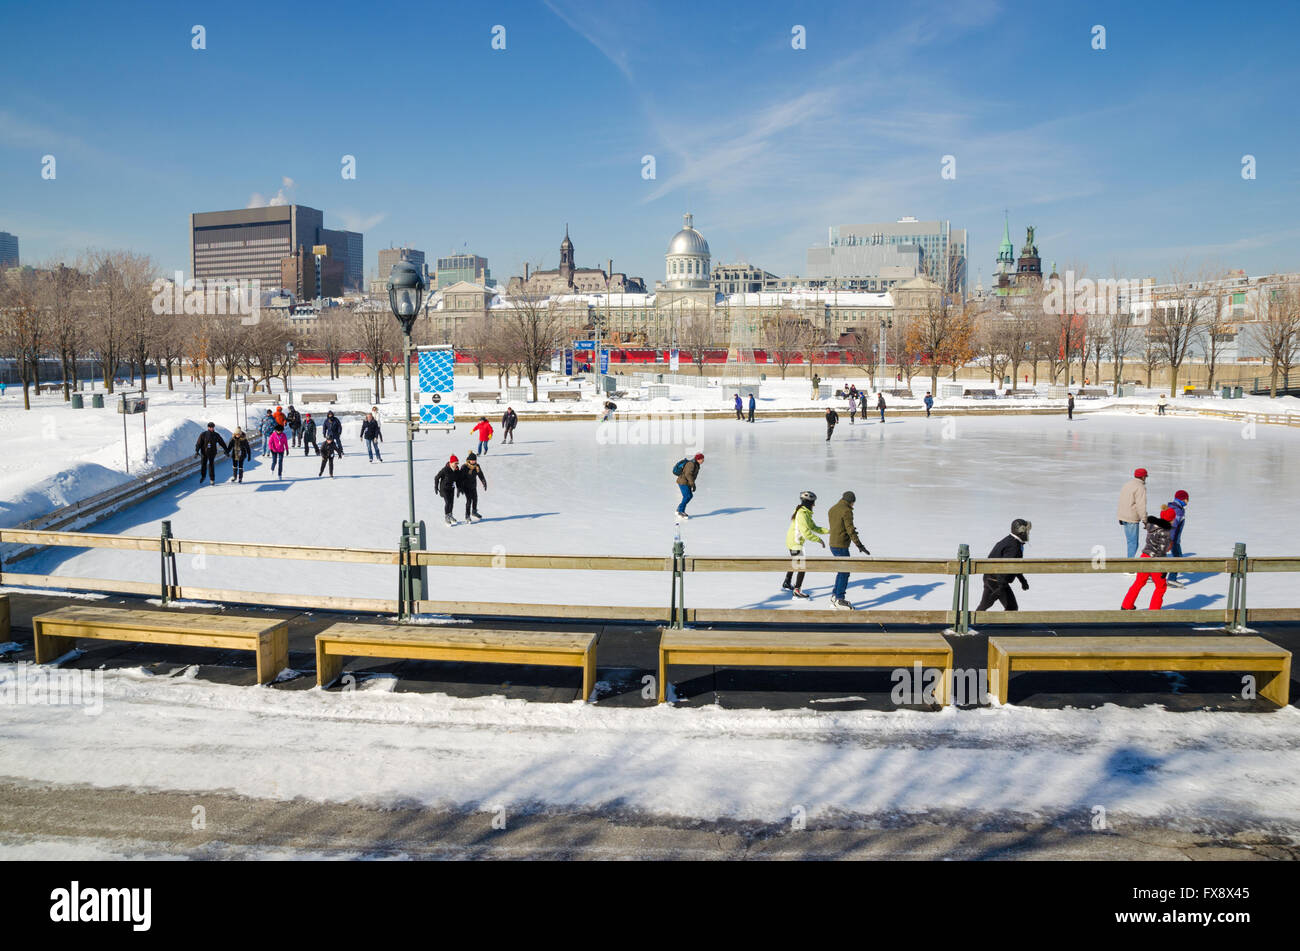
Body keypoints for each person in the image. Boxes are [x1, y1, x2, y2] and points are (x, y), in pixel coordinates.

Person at [1122, 507, 1176, 610]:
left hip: (1145, 557)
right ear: (1170, 519)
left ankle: (1126, 605)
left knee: (1139, 582)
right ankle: (1154, 610)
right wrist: (1163, 569)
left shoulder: (1152, 526)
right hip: (1155, 561)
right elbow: (1161, 551)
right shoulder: (1165, 531)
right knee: (1161, 586)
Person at [975, 519, 1031, 611]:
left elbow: (1014, 565)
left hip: (990, 577)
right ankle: (1004, 625)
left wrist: (1022, 580)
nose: (1028, 533)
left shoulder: (1010, 541)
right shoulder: (1013, 546)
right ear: (1021, 531)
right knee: (1012, 607)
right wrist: (1001, 586)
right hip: (997, 580)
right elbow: (1005, 566)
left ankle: (973, 623)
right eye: (1027, 531)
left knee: (985, 604)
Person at [827, 491, 870, 610]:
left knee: (841, 571)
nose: (853, 505)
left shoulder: (833, 509)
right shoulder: (847, 511)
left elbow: (838, 526)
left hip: (833, 544)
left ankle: (835, 596)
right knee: (845, 571)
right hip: (841, 545)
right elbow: (850, 530)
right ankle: (839, 599)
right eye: (853, 503)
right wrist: (860, 545)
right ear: (851, 501)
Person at [782, 490, 825, 600]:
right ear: (809, 503)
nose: (814, 505)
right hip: (795, 543)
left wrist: (829, 531)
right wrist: (819, 540)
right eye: (813, 502)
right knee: (801, 567)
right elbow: (806, 533)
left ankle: (787, 582)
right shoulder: (802, 514)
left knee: (796, 562)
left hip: (792, 540)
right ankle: (797, 590)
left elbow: (814, 527)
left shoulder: (804, 512)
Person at [1117, 467, 1149, 560]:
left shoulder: (1127, 484)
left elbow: (1122, 500)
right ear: (1143, 477)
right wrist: (1145, 520)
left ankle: (1129, 562)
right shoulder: (1140, 487)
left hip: (1123, 516)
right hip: (1131, 518)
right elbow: (1141, 505)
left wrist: (1120, 516)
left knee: (1130, 542)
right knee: (1133, 543)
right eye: (1145, 476)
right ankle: (1130, 566)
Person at [1165, 490, 1190, 588]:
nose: (1188, 502)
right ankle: (1171, 579)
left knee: (1161, 556)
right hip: (1173, 540)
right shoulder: (1178, 511)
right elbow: (1173, 526)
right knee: (1178, 558)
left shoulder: (1173, 507)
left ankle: (1151, 574)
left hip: (1168, 538)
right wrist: (1171, 541)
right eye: (1187, 499)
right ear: (1183, 499)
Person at [194, 422, 228, 486]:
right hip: (204, 453)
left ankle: (212, 479)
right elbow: (198, 443)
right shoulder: (203, 434)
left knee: (211, 465)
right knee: (203, 465)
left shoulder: (216, 435)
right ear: (208, 427)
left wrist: (226, 450)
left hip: (212, 452)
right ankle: (203, 476)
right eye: (210, 427)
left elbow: (222, 442)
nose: (211, 428)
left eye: (212, 427)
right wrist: (197, 451)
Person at [458, 452, 488, 521]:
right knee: (469, 501)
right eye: (472, 460)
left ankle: (474, 512)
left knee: (475, 499)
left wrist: (484, 482)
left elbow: (481, 475)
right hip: (466, 486)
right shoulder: (464, 467)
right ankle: (467, 515)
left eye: (474, 460)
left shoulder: (477, 466)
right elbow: (460, 478)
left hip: (473, 486)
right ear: (469, 460)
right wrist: (459, 488)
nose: (473, 461)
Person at [675, 452, 703, 519]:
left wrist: (692, 484)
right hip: (683, 482)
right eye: (702, 459)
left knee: (689, 496)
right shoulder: (691, 464)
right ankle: (680, 511)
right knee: (687, 496)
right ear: (698, 459)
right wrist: (692, 483)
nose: (703, 461)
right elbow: (688, 474)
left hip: (686, 482)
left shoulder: (696, 464)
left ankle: (679, 509)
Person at [435, 455, 461, 525]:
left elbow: (458, 480)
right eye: (455, 463)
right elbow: (437, 477)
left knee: (452, 503)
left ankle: (450, 515)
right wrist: (436, 487)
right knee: (448, 502)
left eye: (457, 463)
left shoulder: (457, 470)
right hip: (444, 488)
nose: (456, 465)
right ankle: (447, 516)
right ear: (451, 463)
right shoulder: (445, 469)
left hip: (451, 488)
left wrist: (458, 489)